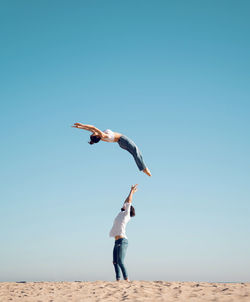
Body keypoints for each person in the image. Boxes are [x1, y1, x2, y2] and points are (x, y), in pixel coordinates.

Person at [72, 123, 151, 176]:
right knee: (136, 151)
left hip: (120, 143)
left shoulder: (100, 136)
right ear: (97, 136)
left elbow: (90, 129)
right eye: (93, 133)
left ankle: (143, 168)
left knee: (134, 153)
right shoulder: (103, 135)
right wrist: (81, 124)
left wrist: (80, 127)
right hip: (123, 140)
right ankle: (144, 168)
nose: (93, 132)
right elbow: (93, 127)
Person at [109, 184, 138, 281]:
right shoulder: (121, 213)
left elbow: (129, 202)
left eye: (127, 207)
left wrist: (131, 193)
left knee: (120, 261)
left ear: (129, 210)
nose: (125, 206)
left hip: (123, 241)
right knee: (115, 262)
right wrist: (131, 192)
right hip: (116, 241)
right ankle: (118, 279)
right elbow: (126, 202)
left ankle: (126, 279)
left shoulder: (126, 215)